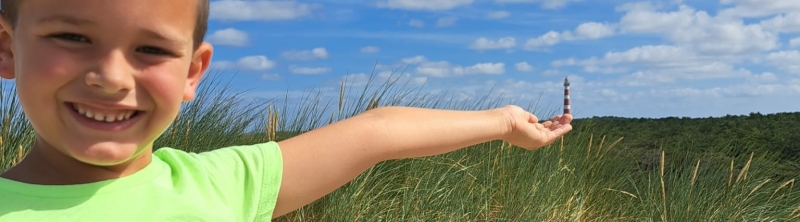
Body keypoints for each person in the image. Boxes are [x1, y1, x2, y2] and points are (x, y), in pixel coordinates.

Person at [0, 0, 574, 221]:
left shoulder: (221, 185)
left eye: (150, 49)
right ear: (8, 48)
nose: (111, 77)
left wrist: (503, 123)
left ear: (192, 73)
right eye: (72, 37)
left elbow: (378, 131)